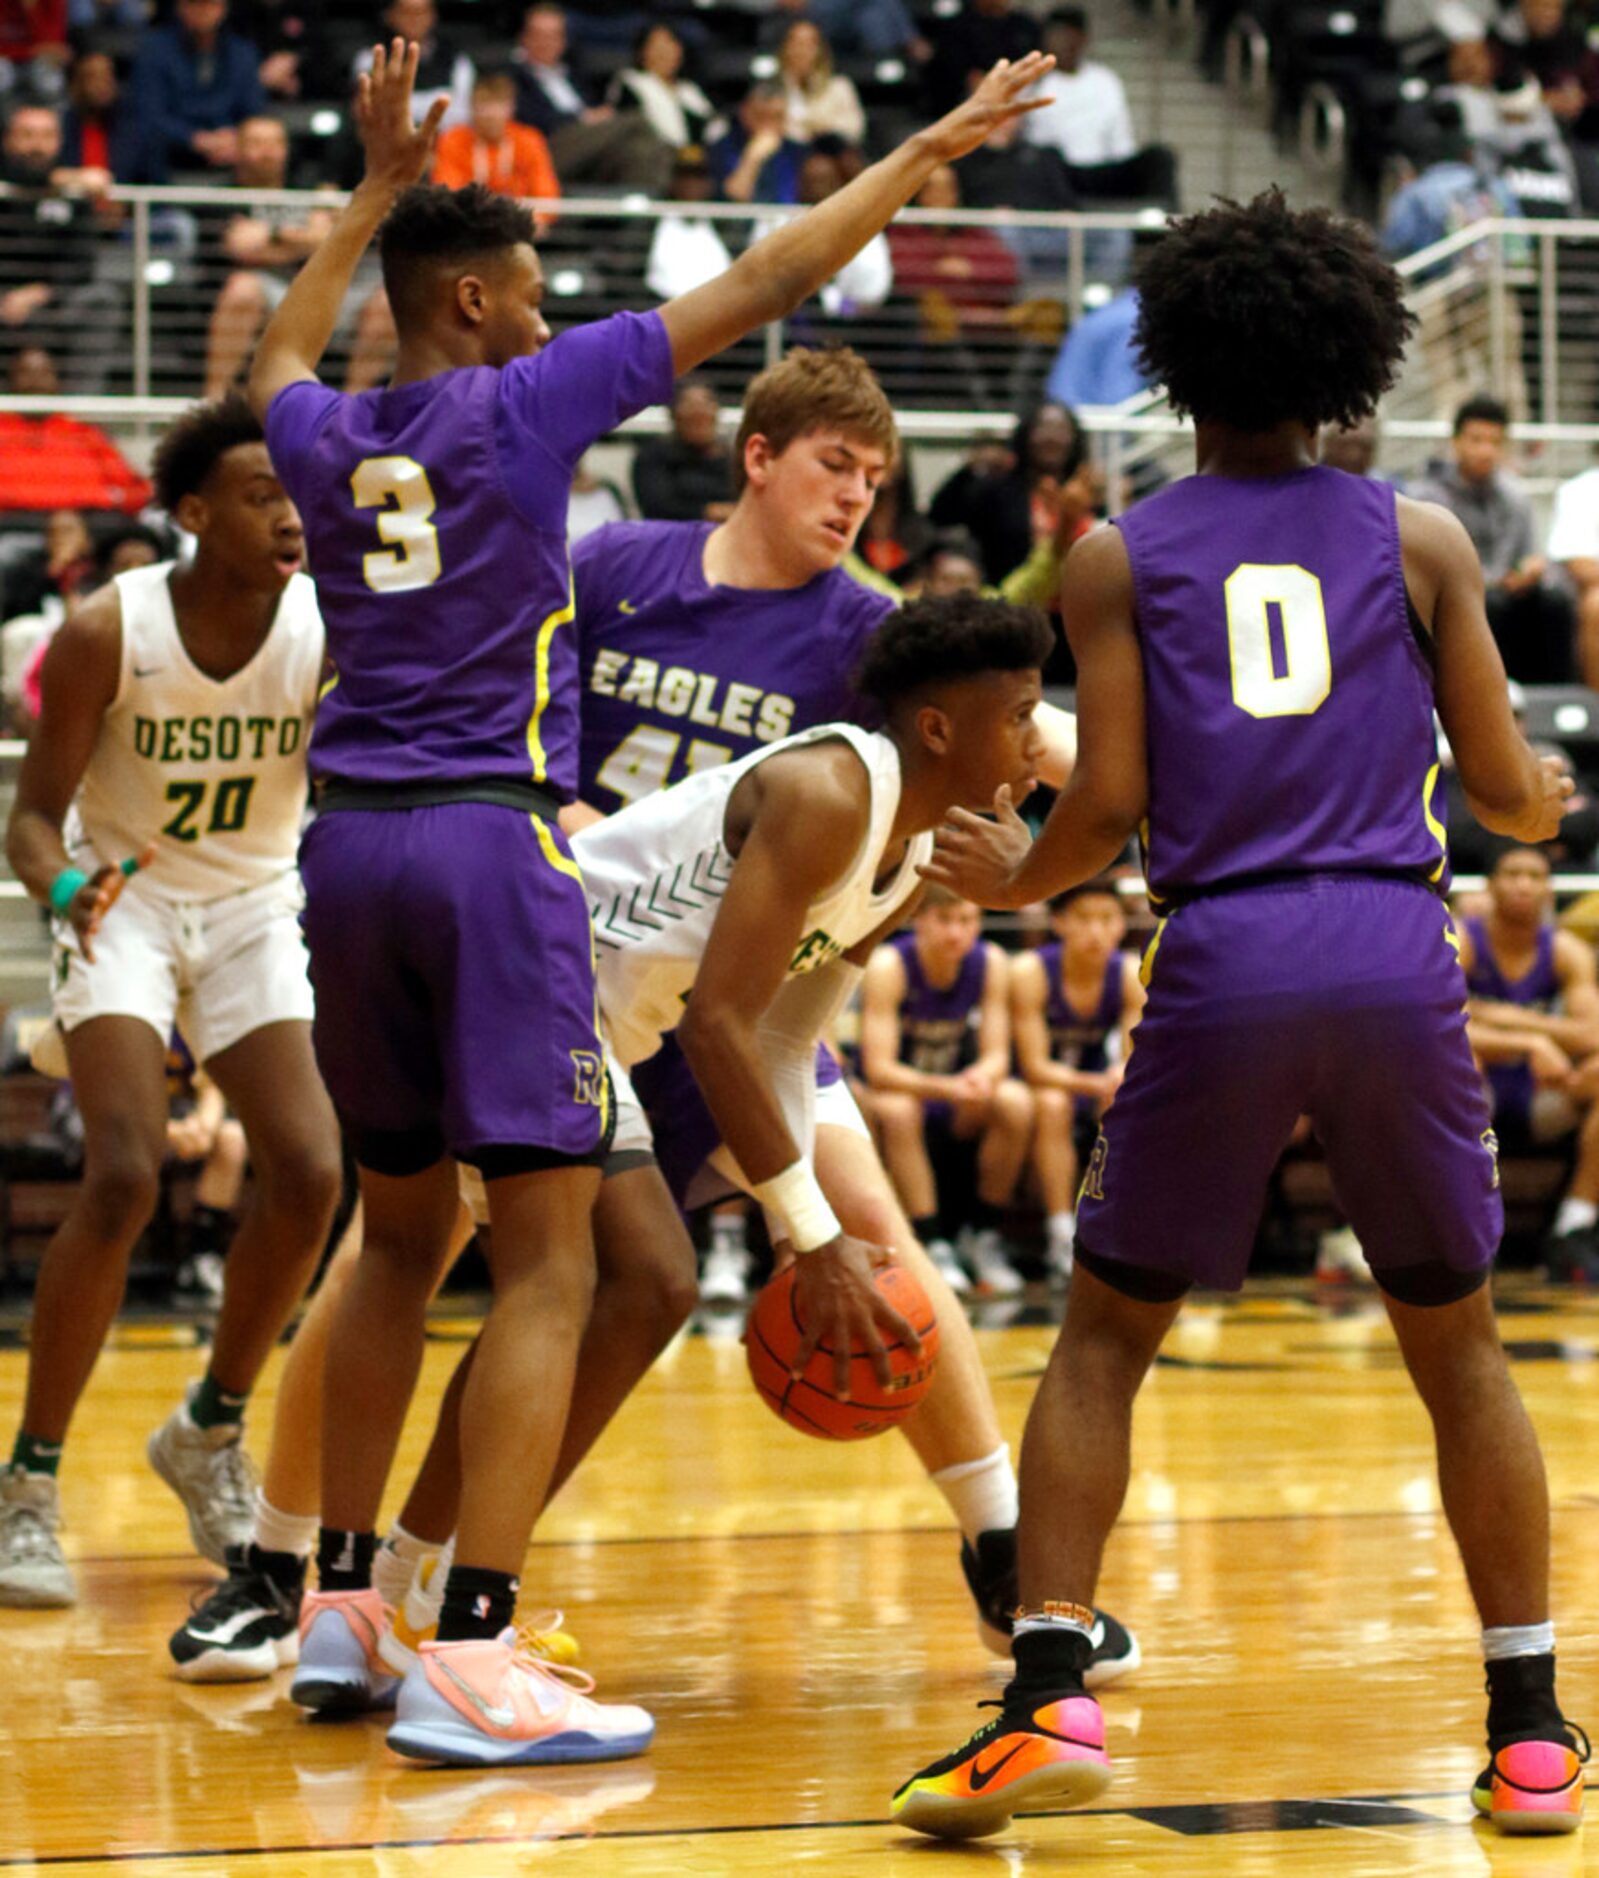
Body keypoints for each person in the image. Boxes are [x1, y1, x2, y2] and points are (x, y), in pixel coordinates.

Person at [247, 36, 1059, 1764]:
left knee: (401, 1236)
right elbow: (771, 274)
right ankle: (470, 1644)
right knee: (552, 1257)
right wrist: (912, 153)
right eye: (528, 296)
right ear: (471, 300)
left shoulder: (314, 433)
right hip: (492, 842)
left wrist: (373, 190)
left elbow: (278, 348)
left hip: (344, 848)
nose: (546, 322)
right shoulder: (523, 402)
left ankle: (336, 1601)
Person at [894, 190, 1587, 1840]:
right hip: (1390, 948)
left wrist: (1006, 879)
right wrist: (1542, 798)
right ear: (1346, 366)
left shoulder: (1114, 554)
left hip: (1219, 951)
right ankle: (1532, 1726)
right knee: (1456, 1344)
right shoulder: (1416, 535)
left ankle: (1044, 1688)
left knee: (1106, 1333)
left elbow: (1110, 797)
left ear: (1175, 367)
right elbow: (1501, 791)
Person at [0, 395, 342, 1609]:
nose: (292, 516)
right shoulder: (111, 628)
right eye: (262, 495)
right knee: (126, 1174)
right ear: (194, 514)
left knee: (308, 1171)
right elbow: (30, 817)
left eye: (299, 492)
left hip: (254, 902)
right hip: (126, 901)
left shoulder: (326, 623)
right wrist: (68, 884)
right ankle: (29, 1484)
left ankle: (207, 1428)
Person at [862, 892, 1033, 1295]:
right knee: (899, 1109)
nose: (958, 932)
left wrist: (976, 1080)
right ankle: (931, 1239)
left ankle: (983, 1236)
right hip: (899, 1092)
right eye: (945, 919)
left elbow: (996, 1058)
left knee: (1015, 1101)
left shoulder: (990, 961)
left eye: (968, 920)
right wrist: (949, 1087)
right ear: (919, 919)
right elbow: (879, 1070)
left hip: (954, 1095)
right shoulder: (889, 965)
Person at [1458, 845, 1599, 1282]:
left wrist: (1504, 1018)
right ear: (1489, 886)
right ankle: (1459, 1229)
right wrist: (1531, 1041)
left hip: (1544, 1093)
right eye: (1511, 873)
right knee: (1442, 1062)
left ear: (1548, 890)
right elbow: (1434, 1027)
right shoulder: (1462, 939)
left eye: (1534, 876)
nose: (1522, 884)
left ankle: (1574, 1226)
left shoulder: (1566, 950)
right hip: (1475, 1093)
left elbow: (1590, 1034)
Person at [1012, 881, 1143, 1283]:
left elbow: (1130, 1055)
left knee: (1127, 1101)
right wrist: (1097, 1082)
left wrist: (1119, 1075)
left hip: (1087, 1085)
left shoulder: (1128, 971)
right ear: (1059, 923)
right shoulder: (1030, 970)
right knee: (1052, 1103)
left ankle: (1122, 1232)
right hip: (1034, 1087)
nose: (1096, 931)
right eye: (1084, 920)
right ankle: (1058, 1232)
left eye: (1107, 920)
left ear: (1122, 926)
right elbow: (1035, 1066)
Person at [1411, 396, 1575, 683]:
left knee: (1555, 602)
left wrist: (1530, 571)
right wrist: (1495, 582)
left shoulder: (1515, 496)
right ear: (1457, 442)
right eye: (1476, 440)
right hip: (1457, 596)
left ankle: (1557, 702)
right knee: (1491, 605)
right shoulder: (1428, 498)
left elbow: (1529, 557)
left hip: (1509, 594)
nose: (1485, 451)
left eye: (1494, 442)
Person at [202, 115, 340, 401]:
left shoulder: (306, 183)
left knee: (384, 301)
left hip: (316, 290)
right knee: (243, 288)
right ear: (237, 149)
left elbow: (330, 239)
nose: (267, 151)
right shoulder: (222, 193)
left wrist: (272, 237)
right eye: (256, 143)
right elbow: (240, 246)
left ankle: (356, 402)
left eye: (275, 143)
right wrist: (303, 238)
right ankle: (213, 400)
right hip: (261, 290)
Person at [513, 2, 669, 191]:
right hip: (546, 148)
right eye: (538, 35)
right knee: (636, 119)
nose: (546, 42)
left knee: (638, 149)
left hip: (587, 150)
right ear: (524, 37)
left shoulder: (572, 74)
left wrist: (596, 118)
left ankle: (640, 214)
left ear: (564, 40)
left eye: (554, 36)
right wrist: (582, 118)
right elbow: (527, 119)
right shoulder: (514, 77)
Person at [122, 0, 266, 181]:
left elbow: (253, 110)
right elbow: (149, 113)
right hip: (168, 159)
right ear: (181, 7)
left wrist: (235, 137)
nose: (204, 10)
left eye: (211, 4)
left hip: (231, 157)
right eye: (196, 3)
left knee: (265, 138)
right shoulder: (154, 50)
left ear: (223, 8)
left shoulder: (243, 53)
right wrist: (194, 139)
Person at [0, 345, 150, 511]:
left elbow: (133, 489)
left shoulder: (83, 432)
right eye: (26, 372)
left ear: (57, 381)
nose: (36, 381)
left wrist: (105, 498)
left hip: (87, 520)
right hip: (12, 522)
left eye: (44, 373)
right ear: (11, 380)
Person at [431, 67, 558, 206]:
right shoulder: (453, 139)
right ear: (472, 107)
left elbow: (546, 195)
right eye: (483, 105)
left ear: (511, 107)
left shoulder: (529, 140)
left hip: (520, 221)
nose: (491, 114)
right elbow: (447, 191)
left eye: (498, 104)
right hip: (468, 221)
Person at [352, 0, 471, 131]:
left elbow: (461, 113)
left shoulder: (457, 59)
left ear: (433, 16)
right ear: (390, 16)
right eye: (407, 13)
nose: (414, 20)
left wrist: (403, 107)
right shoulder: (372, 57)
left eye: (421, 13)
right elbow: (372, 110)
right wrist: (436, 102)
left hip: (443, 143)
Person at [630, 375, 732, 523]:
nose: (699, 411)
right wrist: (713, 511)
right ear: (674, 415)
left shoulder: (734, 458)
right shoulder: (654, 456)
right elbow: (658, 508)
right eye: (690, 406)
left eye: (706, 404)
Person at [605, 21, 718, 153]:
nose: (666, 53)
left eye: (671, 45)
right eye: (658, 47)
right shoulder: (631, 83)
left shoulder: (689, 89)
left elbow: (714, 128)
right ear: (642, 52)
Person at [711, 80, 808, 205]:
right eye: (761, 116)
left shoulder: (797, 151)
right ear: (744, 112)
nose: (768, 125)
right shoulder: (723, 148)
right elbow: (733, 200)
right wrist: (752, 159)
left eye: (777, 117)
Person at [776, 20, 864, 146]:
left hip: (829, 152)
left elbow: (854, 129)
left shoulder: (839, 87)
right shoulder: (771, 88)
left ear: (820, 50)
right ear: (785, 47)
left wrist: (820, 127)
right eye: (796, 43)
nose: (802, 50)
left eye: (809, 44)